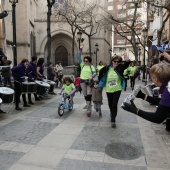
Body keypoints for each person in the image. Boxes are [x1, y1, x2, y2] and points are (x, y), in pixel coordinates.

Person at [122, 63, 170, 131]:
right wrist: (143, 96)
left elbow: (158, 118)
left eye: (151, 77)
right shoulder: (168, 86)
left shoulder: (168, 90)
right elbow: (163, 103)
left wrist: (135, 110)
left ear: (155, 79)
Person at [98, 53, 131, 128]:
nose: (116, 63)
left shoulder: (120, 68)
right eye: (115, 61)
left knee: (114, 104)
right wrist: (100, 81)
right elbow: (100, 72)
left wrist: (127, 60)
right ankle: (112, 112)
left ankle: (113, 119)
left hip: (117, 89)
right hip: (109, 89)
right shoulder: (107, 68)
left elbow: (126, 65)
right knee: (110, 104)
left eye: (118, 62)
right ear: (112, 61)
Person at [78, 44, 96, 117]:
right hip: (82, 81)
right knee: (85, 95)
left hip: (89, 82)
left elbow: (95, 73)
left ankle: (89, 110)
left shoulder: (91, 67)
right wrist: (80, 49)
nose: (85, 62)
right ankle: (88, 104)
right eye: (84, 60)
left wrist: (92, 76)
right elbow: (78, 56)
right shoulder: (82, 65)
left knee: (89, 95)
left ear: (89, 61)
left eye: (87, 61)